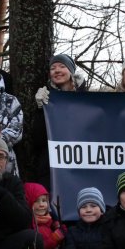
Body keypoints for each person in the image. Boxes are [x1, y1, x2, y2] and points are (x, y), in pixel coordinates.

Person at [25, 53, 89, 189]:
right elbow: (37, 139)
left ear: (71, 71)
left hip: (80, 163)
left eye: (62, 66)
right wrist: (41, 109)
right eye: (53, 68)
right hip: (51, 166)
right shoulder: (46, 97)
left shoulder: (86, 98)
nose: (57, 70)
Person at [24, 182, 65, 249]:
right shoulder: (31, 225)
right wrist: (55, 238)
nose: (41, 204)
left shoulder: (48, 221)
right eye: (36, 201)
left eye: (44, 200)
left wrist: (60, 228)